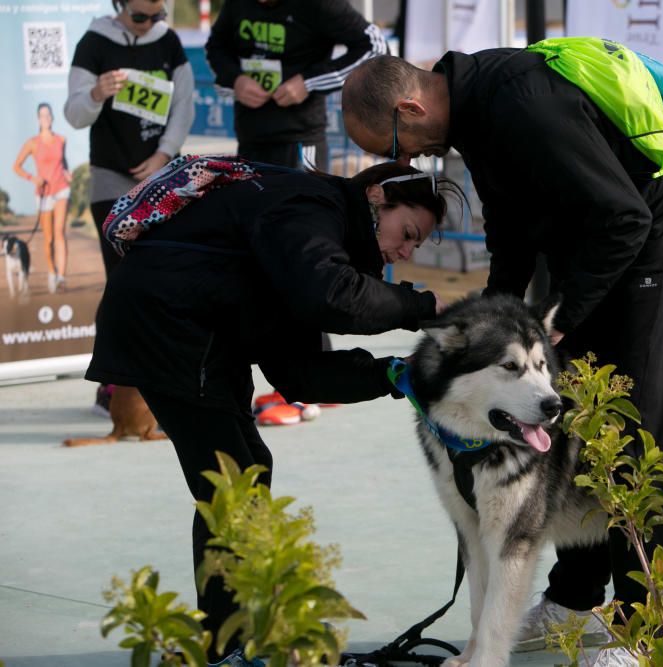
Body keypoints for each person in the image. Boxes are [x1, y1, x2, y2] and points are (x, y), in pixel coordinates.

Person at [342, 49, 663, 667]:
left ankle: (651, 628)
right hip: (587, 240)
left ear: (410, 107)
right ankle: (576, 598)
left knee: (634, 425)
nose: (405, 161)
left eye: (396, 145)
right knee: (564, 418)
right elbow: (509, 225)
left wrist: (559, 316)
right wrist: (500, 312)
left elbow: (624, 216)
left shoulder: (521, 103)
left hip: (645, 240)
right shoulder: (474, 115)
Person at [85, 160, 453, 663]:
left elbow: (301, 373)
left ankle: (239, 633)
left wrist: (391, 374)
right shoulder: (308, 206)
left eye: (415, 246)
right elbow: (331, 294)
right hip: (169, 327)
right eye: (408, 233)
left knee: (240, 475)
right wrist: (422, 306)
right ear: (375, 196)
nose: (406, 251)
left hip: (202, 335)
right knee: (232, 483)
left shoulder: (320, 243)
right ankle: (227, 647)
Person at [64, 0, 194, 415]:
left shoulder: (170, 44)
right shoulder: (94, 43)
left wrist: (163, 156)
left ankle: (161, 380)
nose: (148, 25)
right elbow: (74, 114)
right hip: (110, 182)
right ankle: (112, 383)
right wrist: (96, 93)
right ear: (121, 7)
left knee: (162, 282)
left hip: (163, 178)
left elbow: (184, 107)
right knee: (121, 282)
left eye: (156, 17)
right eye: (140, 17)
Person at [205, 0, 387, 172]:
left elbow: (375, 47)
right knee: (252, 204)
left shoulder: (319, 4)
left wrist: (308, 82)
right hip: (250, 137)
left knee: (306, 204)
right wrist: (236, 80)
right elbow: (216, 46)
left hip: (301, 140)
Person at [13, 103, 72, 293]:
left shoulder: (61, 140)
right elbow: (17, 166)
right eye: (42, 115)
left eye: (48, 115)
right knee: (48, 239)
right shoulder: (32, 143)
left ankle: (62, 278)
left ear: (52, 118)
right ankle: (52, 272)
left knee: (59, 233)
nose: (45, 118)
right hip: (44, 193)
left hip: (61, 188)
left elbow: (63, 163)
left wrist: (68, 173)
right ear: (38, 119)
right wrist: (33, 178)